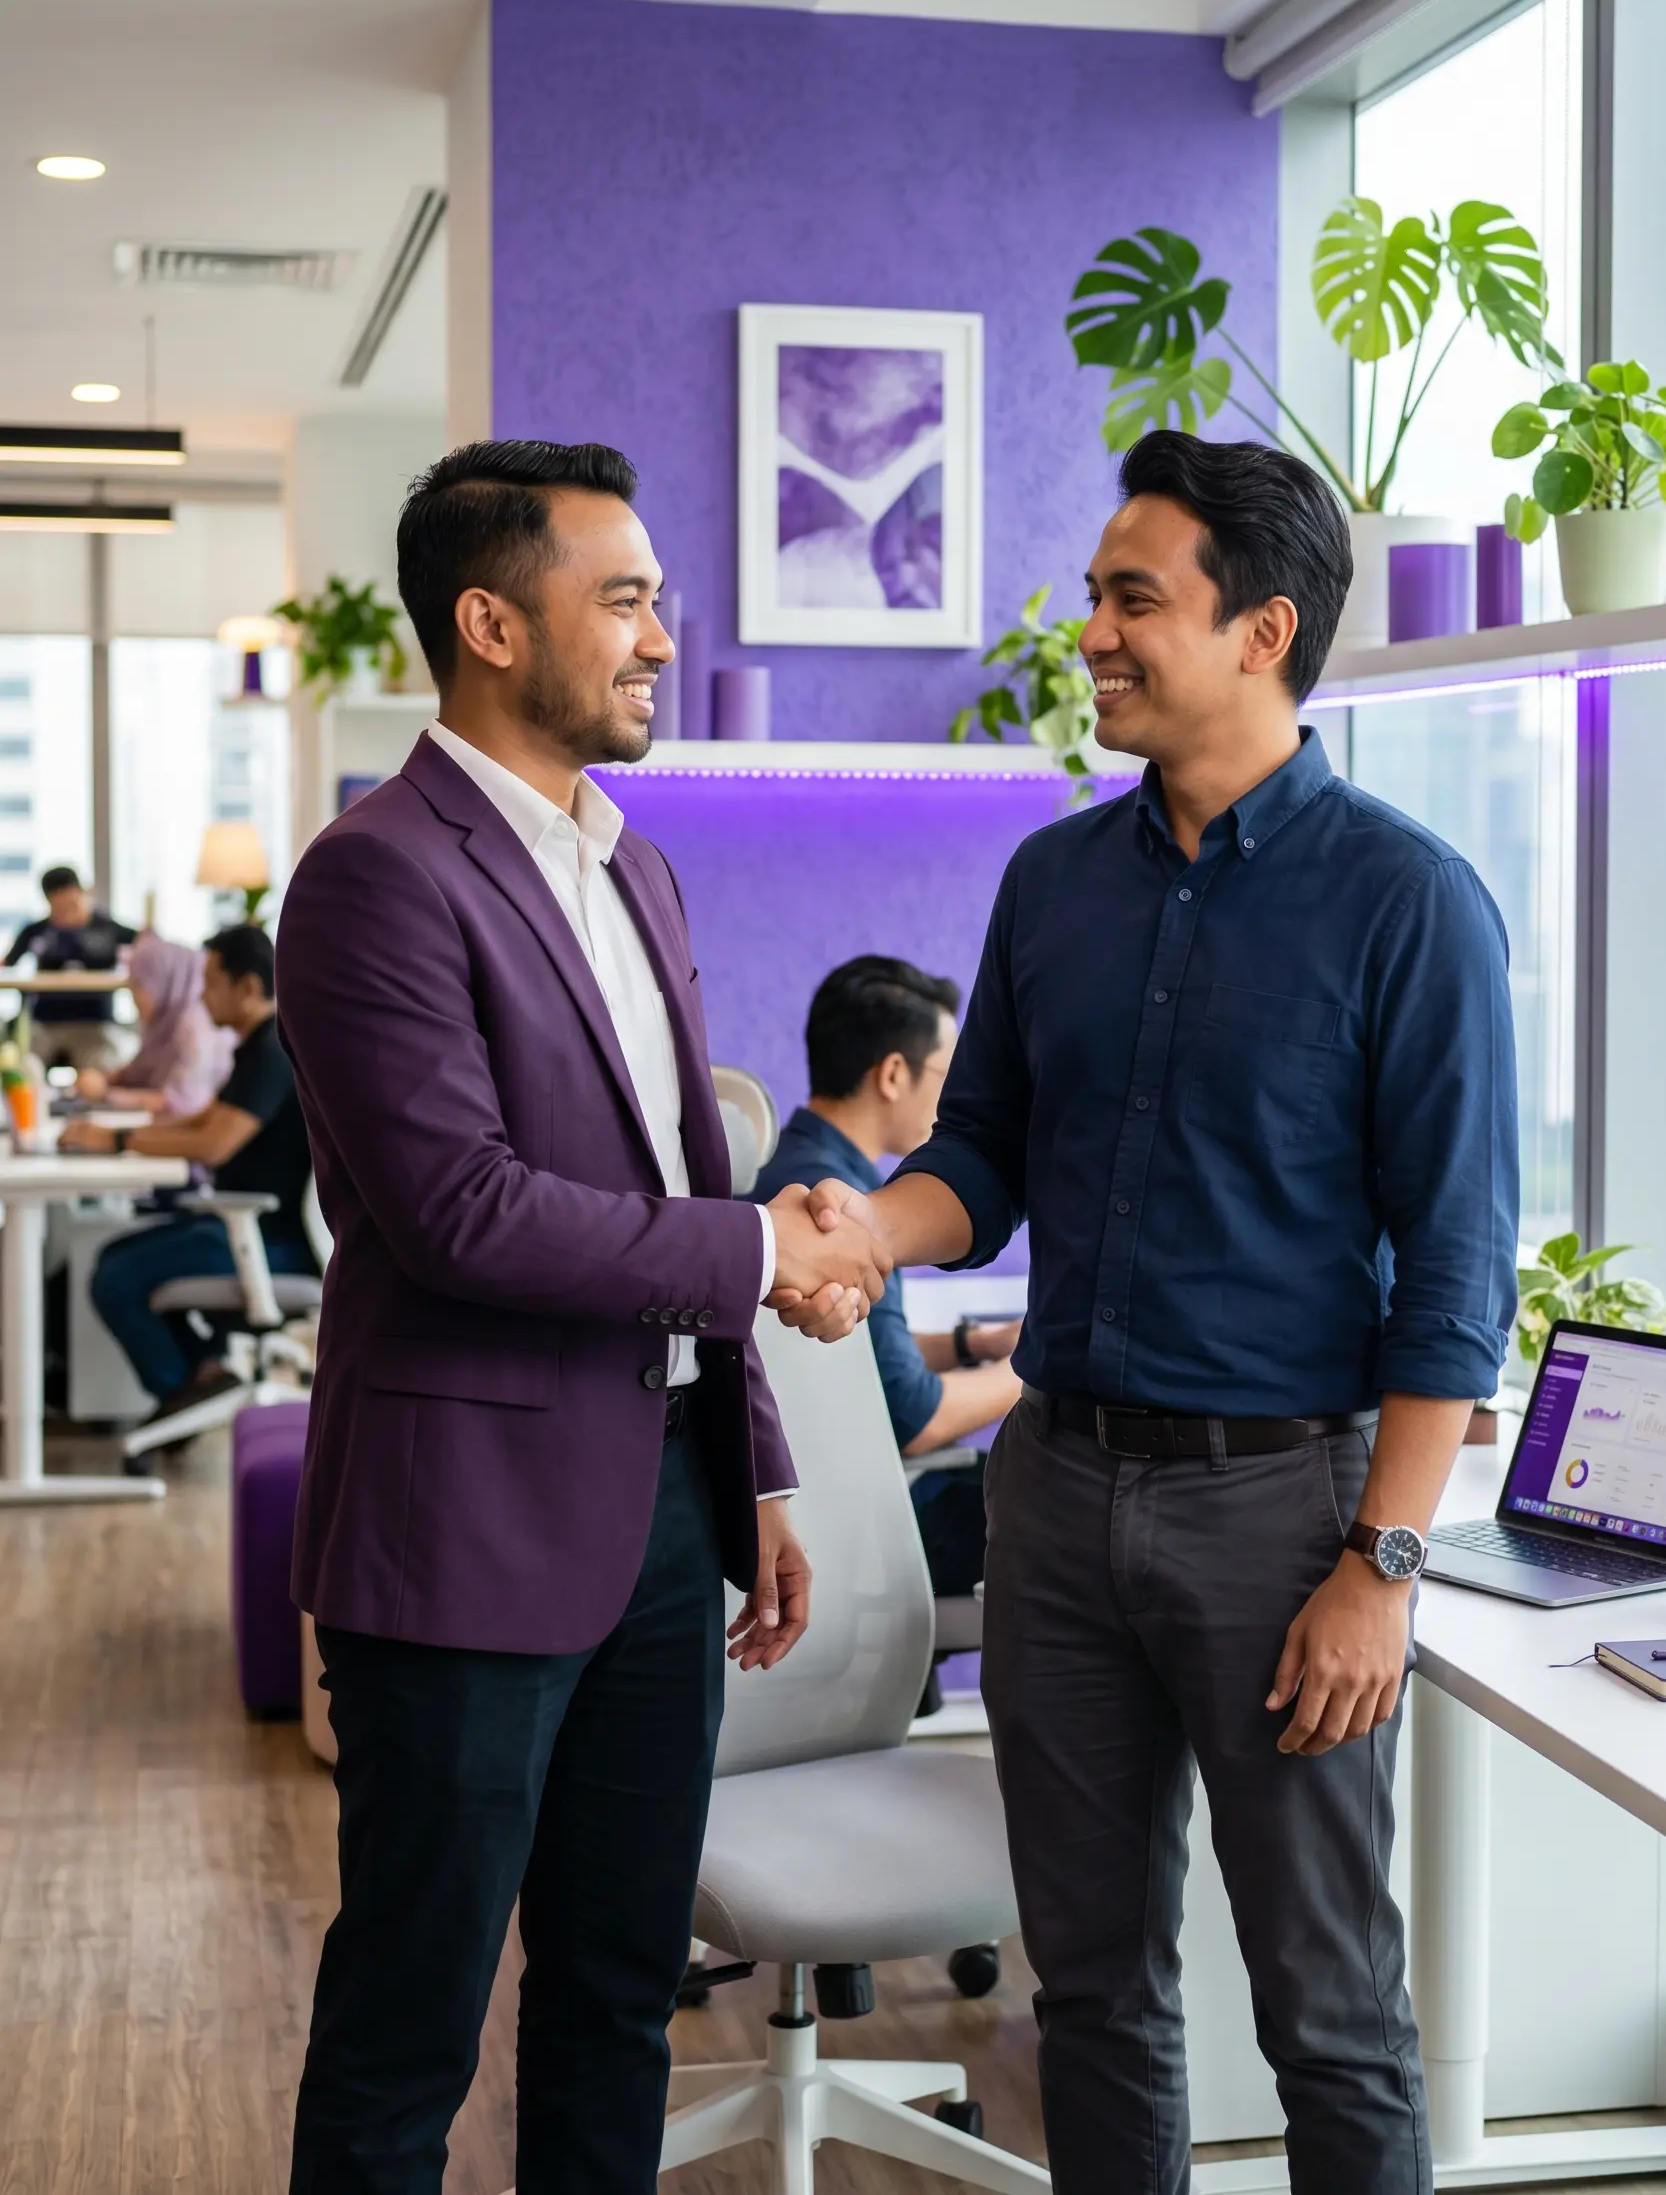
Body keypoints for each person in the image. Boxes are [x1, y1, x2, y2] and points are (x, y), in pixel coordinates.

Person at [784, 432, 1519, 2195]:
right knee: (1093, 1991)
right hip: (1054, 1500)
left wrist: (1380, 1569)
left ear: (1260, 631)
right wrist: (867, 1231)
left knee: (1327, 2009)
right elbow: (982, 1159)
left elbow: (1455, 1277)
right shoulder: (1056, 885)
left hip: (1280, 1521)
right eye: (1100, 594)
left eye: (1135, 600)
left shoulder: (1407, 905)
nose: (1094, 634)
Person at [273, 438, 889, 2195]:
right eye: (619, 599)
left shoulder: (635, 867)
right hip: (461, 1538)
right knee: (410, 2021)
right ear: (487, 621)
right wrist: (762, 1256)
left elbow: (688, 1178)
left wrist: (755, 1473)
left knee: (620, 1995)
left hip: (658, 1524)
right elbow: (459, 1212)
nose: (655, 636)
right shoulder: (375, 873)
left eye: (655, 599)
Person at [753, 955, 1021, 1602]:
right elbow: (913, 1417)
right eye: (949, 1074)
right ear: (895, 1074)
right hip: (857, 1516)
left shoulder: (791, 1170)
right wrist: (1039, 1367)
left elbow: (847, 1358)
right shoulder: (841, 1204)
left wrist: (973, 1344)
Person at [77, 923, 315, 1415]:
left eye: (210, 982)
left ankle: (181, 1390)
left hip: (268, 1238)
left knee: (115, 1278)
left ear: (247, 987)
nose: (200, 995)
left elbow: (212, 1144)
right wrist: (115, 1132)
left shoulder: (272, 1052)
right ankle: (205, 1377)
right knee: (110, 1255)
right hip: (240, 1224)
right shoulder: (257, 1047)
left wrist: (117, 1139)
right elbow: (201, 1121)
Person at [73, 928, 236, 1118]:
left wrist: (106, 1095)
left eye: (139, 984)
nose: (134, 996)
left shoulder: (193, 1027)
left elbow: (181, 1103)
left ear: (164, 980)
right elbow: (140, 1071)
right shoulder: (163, 1022)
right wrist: (106, 1079)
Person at [5, 864, 136, 1072]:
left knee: (103, 1068)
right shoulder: (36, 931)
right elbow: (7, 963)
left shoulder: (109, 929)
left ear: (81, 892)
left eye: (69, 897)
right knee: (20, 1065)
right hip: (45, 1022)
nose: (65, 907)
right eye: (56, 900)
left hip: (94, 1023)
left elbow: (148, 948)